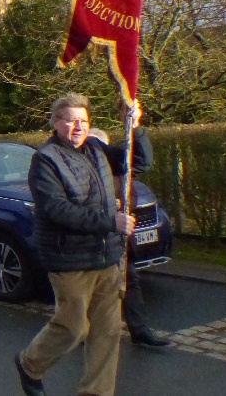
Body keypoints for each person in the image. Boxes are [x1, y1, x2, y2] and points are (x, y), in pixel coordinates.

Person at [15, 93, 139, 396]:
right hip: (68, 259)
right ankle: (30, 364)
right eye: (70, 121)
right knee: (74, 327)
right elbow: (58, 210)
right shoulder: (45, 160)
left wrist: (135, 126)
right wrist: (112, 222)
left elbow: (138, 160)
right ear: (56, 123)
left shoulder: (96, 148)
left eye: (83, 121)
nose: (78, 127)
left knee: (107, 333)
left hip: (106, 256)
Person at [89, 122, 168, 348]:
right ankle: (85, 330)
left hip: (116, 237)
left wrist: (136, 127)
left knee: (129, 279)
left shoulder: (116, 170)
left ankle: (140, 330)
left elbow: (141, 160)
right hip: (89, 236)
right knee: (90, 287)